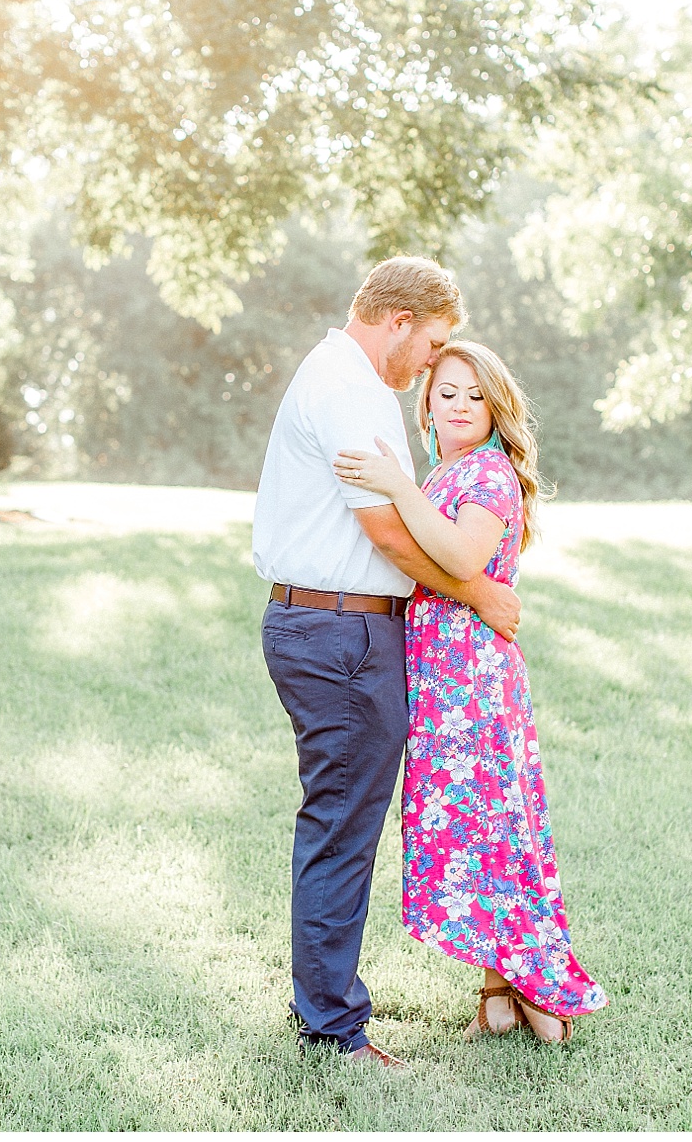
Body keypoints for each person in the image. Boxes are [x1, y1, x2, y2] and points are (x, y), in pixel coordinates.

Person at [253, 258, 521, 1069]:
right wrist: (480, 592)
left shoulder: (355, 383)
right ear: (399, 322)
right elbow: (388, 533)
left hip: (349, 630)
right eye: (433, 342)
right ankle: (333, 1029)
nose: (429, 365)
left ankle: (326, 1011)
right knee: (340, 824)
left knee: (345, 820)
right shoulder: (346, 387)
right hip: (336, 634)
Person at [332, 340, 607, 1045]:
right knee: (472, 829)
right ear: (426, 400)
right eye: (446, 391)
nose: (458, 404)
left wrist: (395, 487)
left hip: (473, 682)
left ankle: (539, 987)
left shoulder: (487, 474)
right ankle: (496, 990)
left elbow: (458, 557)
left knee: (498, 828)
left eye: (474, 395)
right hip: (439, 675)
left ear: (496, 410)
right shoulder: (446, 470)